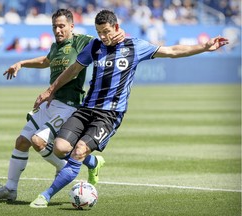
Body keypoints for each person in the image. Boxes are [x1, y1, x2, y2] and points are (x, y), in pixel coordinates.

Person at [29, 9, 229, 208]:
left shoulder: (135, 46)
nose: (104, 37)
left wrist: (204, 46)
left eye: (107, 31)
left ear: (116, 27)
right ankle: (93, 163)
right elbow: (73, 69)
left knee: (79, 150)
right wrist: (50, 90)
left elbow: (171, 51)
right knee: (60, 148)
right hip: (86, 108)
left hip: (109, 114)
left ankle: (45, 196)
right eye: (100, 32)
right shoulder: (95, 46)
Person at [0, 9, 125, 202]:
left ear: (71, 27)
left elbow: (103, 38)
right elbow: (45, 61)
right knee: (22, 142)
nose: (58, 30)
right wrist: (22, 63)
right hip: (50, 103)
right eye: (54, 27)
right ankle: (10, 188)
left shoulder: (81, 41)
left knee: (38, 141)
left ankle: (64, 170)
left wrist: (121, 32)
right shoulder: (55, 46)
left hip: (69, 105)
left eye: (62, 26)